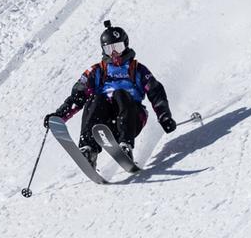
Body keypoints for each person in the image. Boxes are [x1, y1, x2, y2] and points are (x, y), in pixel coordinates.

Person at [44, 20, 176, 166]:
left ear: (125, 45)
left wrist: (164, 116)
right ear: (103, 50)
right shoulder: (97, 71)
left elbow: (156, 92)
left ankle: (125, 145)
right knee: (96, 98)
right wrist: (59, 116)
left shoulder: (137, 69)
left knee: (120, 94)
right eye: (109, 49)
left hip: (132, 117)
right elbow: (78, 96)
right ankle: (89, 150)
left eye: (118, 48)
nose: (114, 53)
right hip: (105, 120)